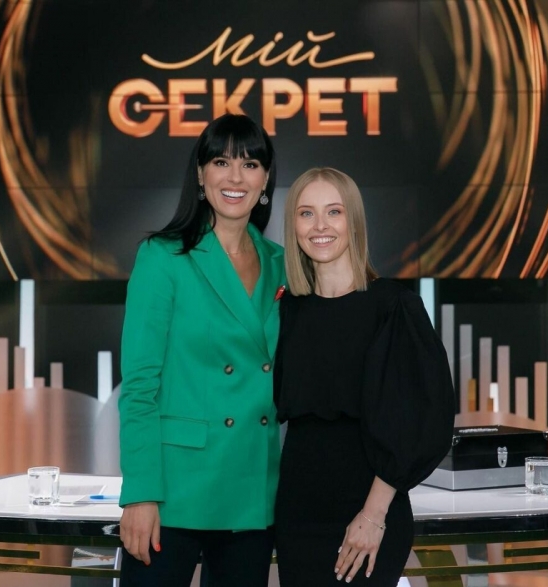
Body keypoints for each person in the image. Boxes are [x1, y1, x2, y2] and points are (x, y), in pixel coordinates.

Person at [118, 114, 286, 587]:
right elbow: (140, 387)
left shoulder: (282, 264)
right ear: (200, 173)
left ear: (266, 180)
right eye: (221, 162)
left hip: (252, 487)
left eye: (250, 164)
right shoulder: (163, 256)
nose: (236, 177)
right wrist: (140, 493)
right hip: (174, 491)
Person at [273, 167, 456, 586]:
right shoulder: (287, 312)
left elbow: (419, 422)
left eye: (334, 212)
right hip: (298, 513)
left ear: (353, 221)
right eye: (306, 213)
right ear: (293, 226)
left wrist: (373, 516)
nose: (320, 226)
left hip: (370, 511)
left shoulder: (393, 306)